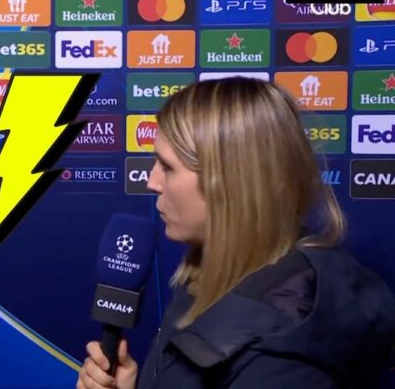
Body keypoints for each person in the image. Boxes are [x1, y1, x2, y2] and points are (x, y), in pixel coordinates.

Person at [77, 77, 395, 389]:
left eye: (167, 166)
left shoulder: (282, 355)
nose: (151, 182)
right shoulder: (209, 270)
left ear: (230, 182)